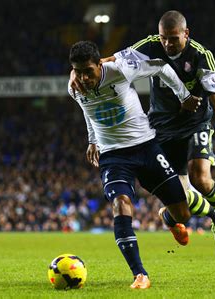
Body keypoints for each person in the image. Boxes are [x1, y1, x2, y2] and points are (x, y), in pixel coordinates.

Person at [70, 10, 215, 257]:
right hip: (161, 128)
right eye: (163, 38)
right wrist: (77, 72)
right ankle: (211, 217)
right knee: (183, 196)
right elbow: (110, 60)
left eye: (173, 38)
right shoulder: (150, 45)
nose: (167, 43)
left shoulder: (201, 56)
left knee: (200, 178)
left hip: (195, 123)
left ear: (186, 34)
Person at [68, 40, 201, 288]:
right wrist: (93, 140)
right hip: (113, 156)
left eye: (88, 71)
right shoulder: (74, 87)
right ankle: (140, 274)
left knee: (183, 212)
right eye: (78, 72)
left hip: (146, 147)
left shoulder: (121, 69)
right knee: (121, 204)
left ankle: (170, 220)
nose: (84, 78)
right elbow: (89, 111)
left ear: (100, 63)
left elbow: (160, 66)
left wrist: (183, 95)